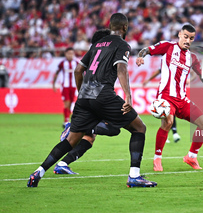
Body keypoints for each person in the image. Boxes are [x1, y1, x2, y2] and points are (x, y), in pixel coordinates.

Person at [27, 13, 157, 188]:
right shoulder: (122, 44)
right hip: (103, 93)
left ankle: (39, 172)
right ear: (125, 27)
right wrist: (128, 95)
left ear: (110, 26)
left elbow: (78, 70)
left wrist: (83, 93)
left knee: (71, 141)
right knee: (139, 128)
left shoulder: (96, 44)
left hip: (85, 96)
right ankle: (134, 176)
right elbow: (122, 69)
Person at [136, 24, 203, 172]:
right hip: (166, 96)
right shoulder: (167, 46)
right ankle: (157, 159)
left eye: (191, 38)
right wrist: (140, 56)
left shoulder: (193, 58)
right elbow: (147, 50)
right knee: (168, 122)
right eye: (185, 37)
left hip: (182, 100)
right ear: (179, 34)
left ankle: (191, 156)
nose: (188, 41)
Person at [54, 29, 112, 175]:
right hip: (99, 93)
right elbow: (78, 71)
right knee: (113, 126)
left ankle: (62, 164)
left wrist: (81, 93)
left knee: (89, 138)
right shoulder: (104, 53)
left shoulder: (93, 52)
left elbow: (78, 70)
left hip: (88, 92)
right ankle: (73, 127)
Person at [143, 68, 181, 143]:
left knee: (170, 113)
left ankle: (173, 133)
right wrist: (148, 80)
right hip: (166, 92)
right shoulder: (168, 63)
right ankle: (172, 134)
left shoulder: (179, 65)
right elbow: (159, 71)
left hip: (176, 92)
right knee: (165, 112)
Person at [53, 47, 79, 128]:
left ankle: (68, 120)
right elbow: (57, 73)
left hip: (74, 86)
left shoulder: (76, 62)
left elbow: (81, 73)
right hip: (65, 86)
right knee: (66, 103)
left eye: (72, 53)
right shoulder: (62, 63)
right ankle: (65, 121)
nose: (70, 55)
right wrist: (53, 84)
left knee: (71, 103)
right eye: (69, 53)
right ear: (65, 54)